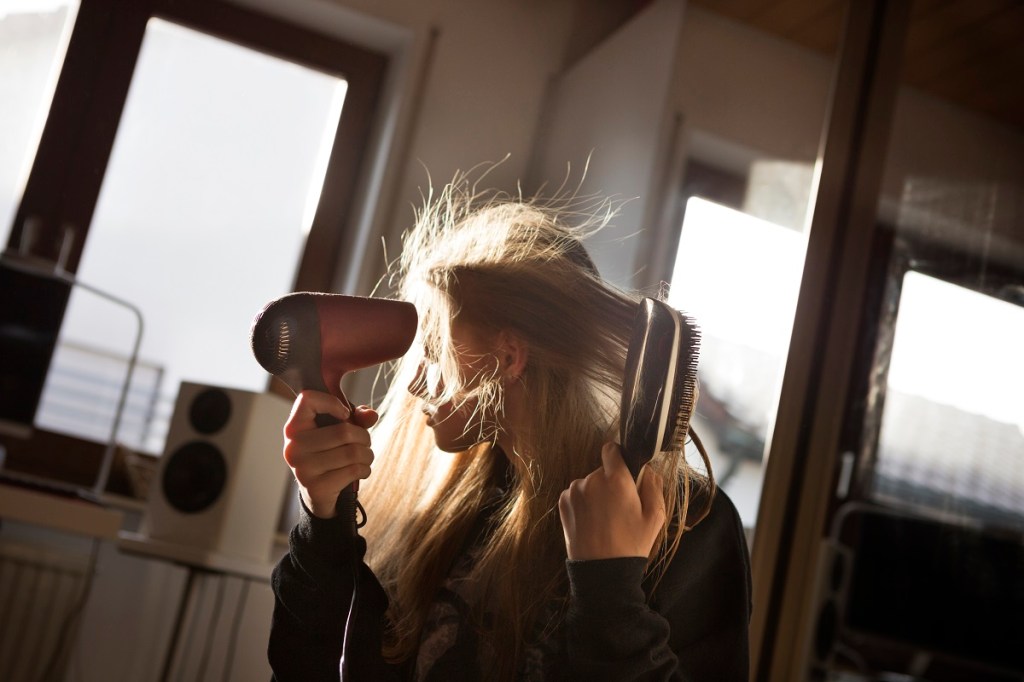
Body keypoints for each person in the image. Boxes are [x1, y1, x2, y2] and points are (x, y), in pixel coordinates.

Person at [268, 177, 752, 681]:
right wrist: (323, 524)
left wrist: (610, 588)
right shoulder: (444, 515)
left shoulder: (688, 526)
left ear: (507, 356)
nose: (414, 384)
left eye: (432, 351)